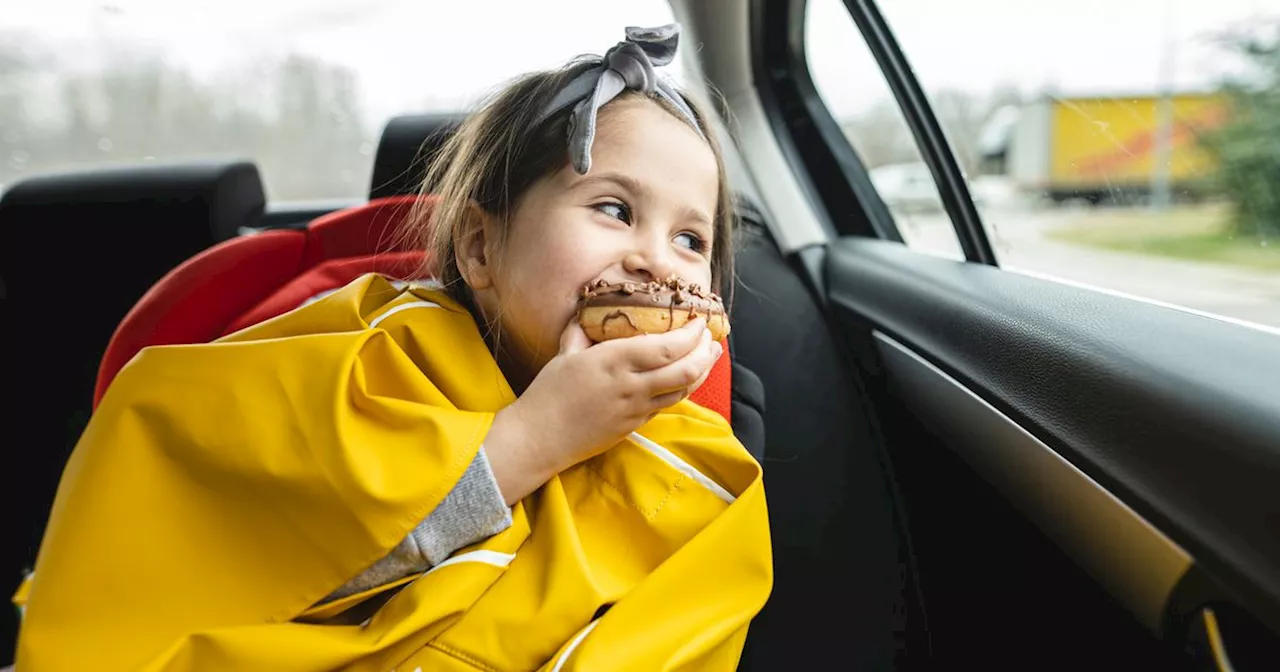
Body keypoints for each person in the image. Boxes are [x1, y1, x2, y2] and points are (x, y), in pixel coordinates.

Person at [16, 24, 771, 671]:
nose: (657, 261)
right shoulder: (380, 356)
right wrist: (539, 436)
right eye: (614, 208)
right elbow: (280, 559)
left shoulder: (696, 458)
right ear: (480, 249)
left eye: (690, 238)